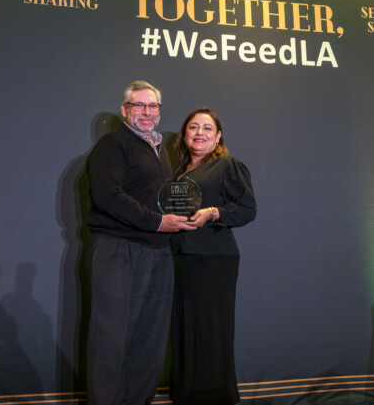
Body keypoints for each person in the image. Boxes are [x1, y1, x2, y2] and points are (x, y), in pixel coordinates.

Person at [85, 80, 196, 405]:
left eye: (152, 107)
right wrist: (158, 222)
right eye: (139, 106)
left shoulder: (160, 149)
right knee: (111, 339)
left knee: (149, 339)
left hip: (158, 253)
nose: (146, 112)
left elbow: (160, 198)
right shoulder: (113, 144)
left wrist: (187, 216)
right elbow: (108, 195)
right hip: (120, 250)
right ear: (125, 110)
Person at [169, 107, 257, 405]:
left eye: (207, 128)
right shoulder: (177, 174)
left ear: (218, 136)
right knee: (185, 332)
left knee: (210, 332)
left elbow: (247, 209)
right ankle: (187, 396)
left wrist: (213, 212)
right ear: (184, 135)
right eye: (193, 127)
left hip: (213, 259)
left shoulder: (227, 166)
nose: (199, 133)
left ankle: (215, 397)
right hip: (181, 259)